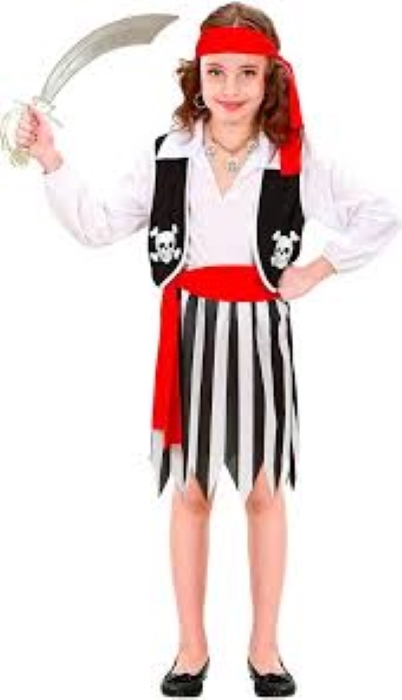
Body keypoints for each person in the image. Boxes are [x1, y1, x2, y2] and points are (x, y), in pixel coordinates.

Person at [15, 2, 400, 696]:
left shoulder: (294, 156)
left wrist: (317, 269)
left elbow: (380, 212)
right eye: (216, 71)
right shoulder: (170, 153)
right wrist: (50, 159)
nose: (230, 87)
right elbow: (96, 224)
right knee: (190, 491)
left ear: (271, 78)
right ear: (196, 75)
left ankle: (265, 646)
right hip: (189, 332)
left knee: (263, 490)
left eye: (246, 73)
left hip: (260, 335)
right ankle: (190, 646)